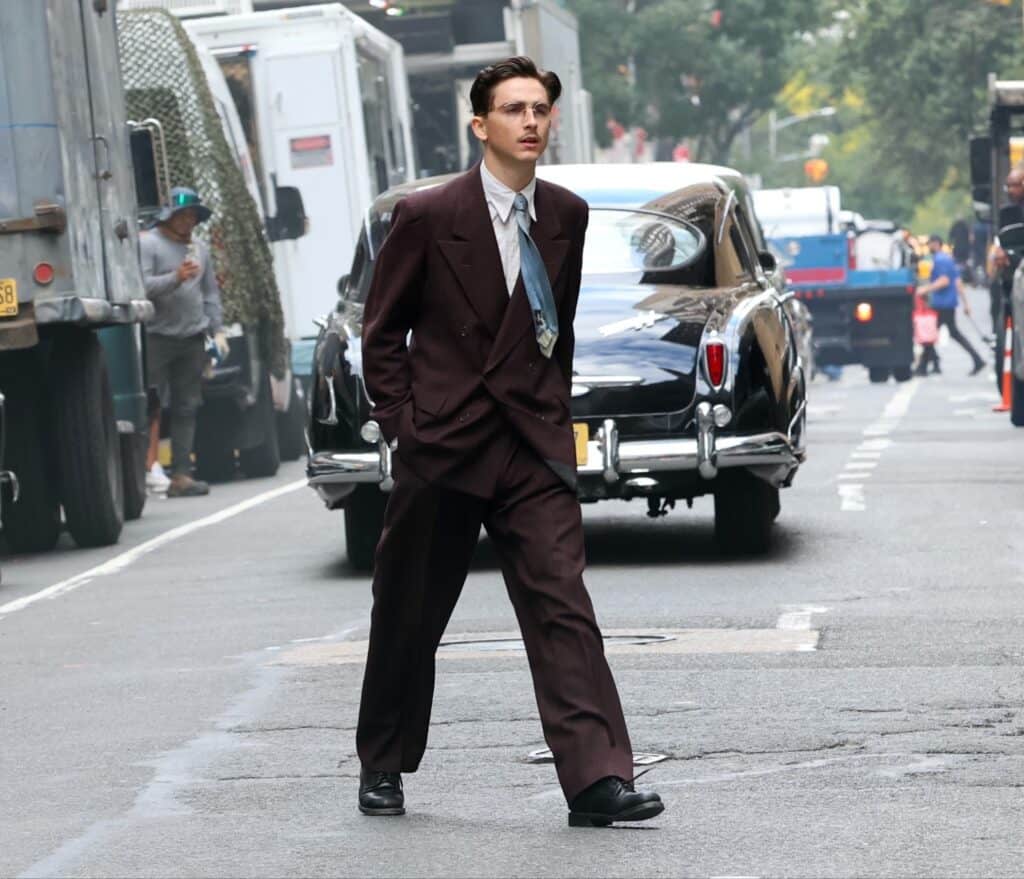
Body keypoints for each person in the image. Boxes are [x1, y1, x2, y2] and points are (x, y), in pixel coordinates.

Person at [355, 57, 663, 828]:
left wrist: (552, 411)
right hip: (445, 443)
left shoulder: (566, 214)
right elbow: (382, 334)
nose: (530, 121)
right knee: (409, 609)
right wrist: (406, 426)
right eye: (513, 109)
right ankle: (383, 759)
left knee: (564, 605)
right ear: (479, 125)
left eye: (540, 109)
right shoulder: (427, 216)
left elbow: (554, 325)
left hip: (529, 443)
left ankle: (597, 779)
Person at [139, 187, 228, 497]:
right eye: (183, 215)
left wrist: (217, 330)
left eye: (193, 216)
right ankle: (145, 470)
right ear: (169, 216)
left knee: (187, 406)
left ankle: (181, 474)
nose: (188, 221)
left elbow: (210, 293)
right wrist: (175, 277)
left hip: (192, 338)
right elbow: (141, 286)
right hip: (157, 337)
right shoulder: (149, 244)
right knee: (151, 405)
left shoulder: (199, 249)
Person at [917, 234, 984, 376]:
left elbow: (945, 281)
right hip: (949, 303)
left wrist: (925, 289)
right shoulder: (948, 259)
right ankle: (975, 360)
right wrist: (965, 303)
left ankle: (924, 366)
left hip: (942, 303)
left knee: (930, 335)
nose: (928, 247)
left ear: (936, 243)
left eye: (930, 244)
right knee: (948, 333)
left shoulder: (940, 260)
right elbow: (957, 282)